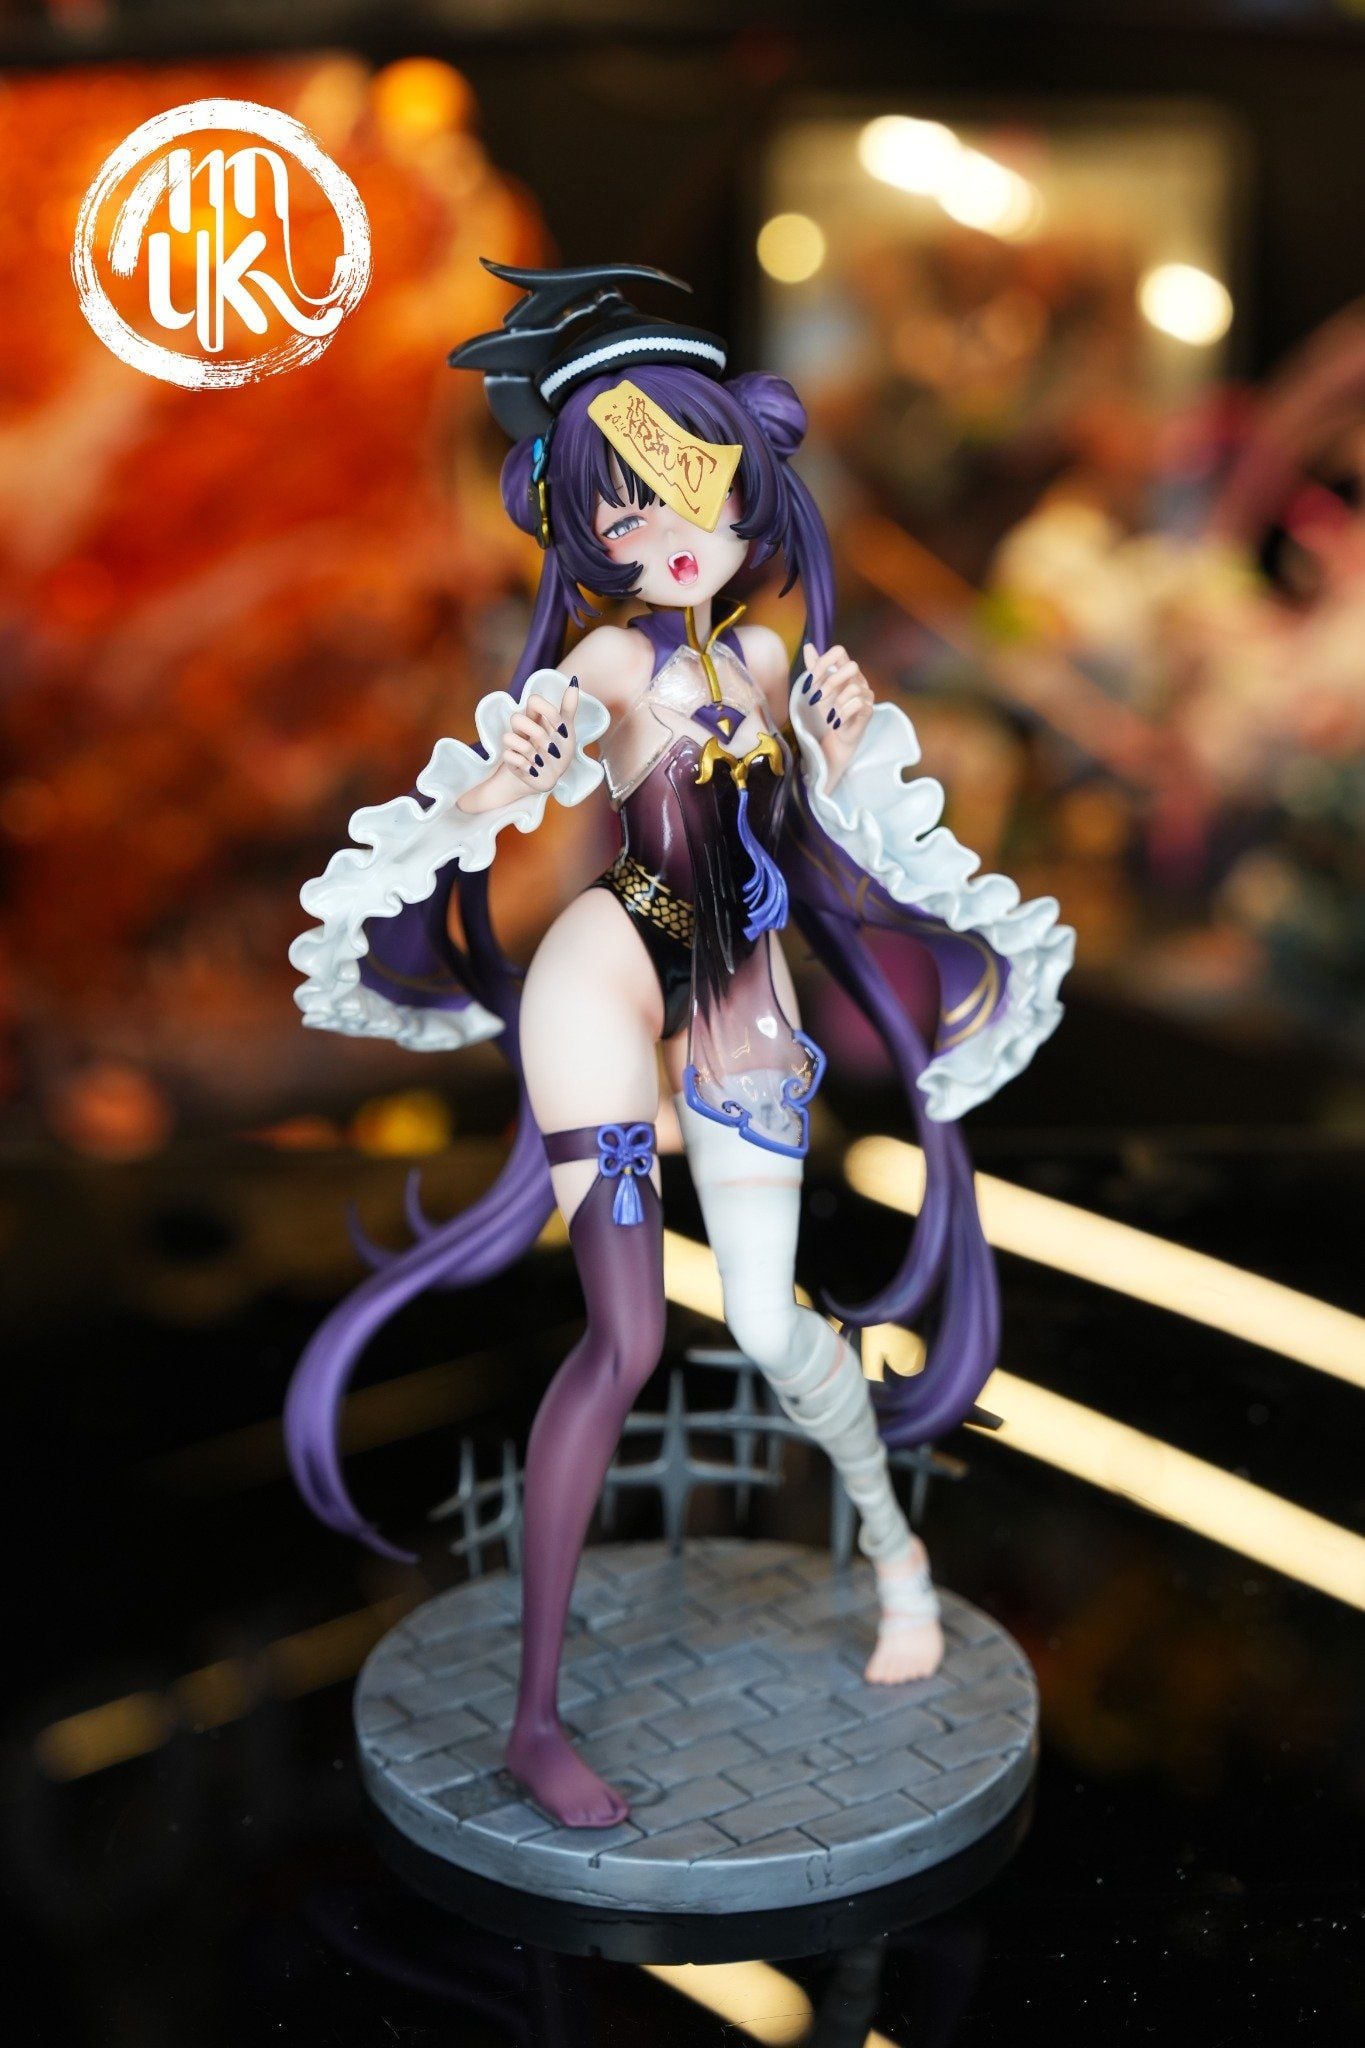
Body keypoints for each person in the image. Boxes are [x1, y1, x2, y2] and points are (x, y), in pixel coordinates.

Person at [285, 261, 1074, 1827]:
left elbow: (856, 837)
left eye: (690, 488)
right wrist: (508, 764)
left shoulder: (769, 665)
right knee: (627, 1338)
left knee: (774, 1328)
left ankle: (895, 1552)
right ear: (582, 528)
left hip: (737, 1002)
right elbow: (508, 790)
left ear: (745, 480)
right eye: (625, 509)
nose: (667, 531)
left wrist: (845, 752)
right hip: (606, 974)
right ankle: (533, 1718)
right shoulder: (604, 665)